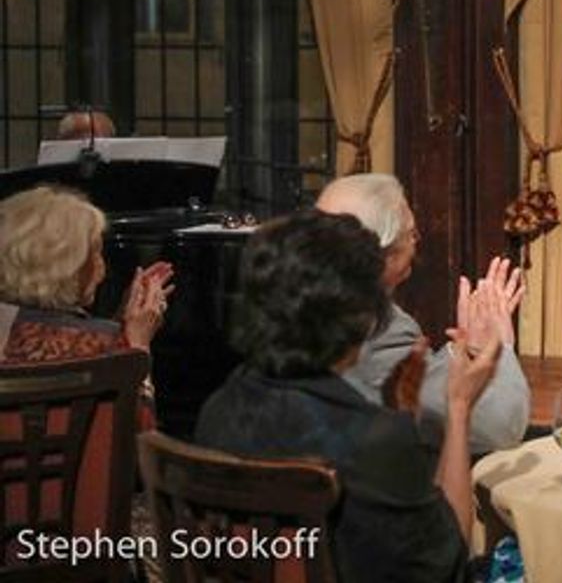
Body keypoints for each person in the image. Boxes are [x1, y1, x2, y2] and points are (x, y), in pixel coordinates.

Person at [196, 211, 501, 583]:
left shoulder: (219, 406)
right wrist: (458, 408)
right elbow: (450, 562)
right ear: (360, 315)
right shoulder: (375, 441)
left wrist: (401, 415)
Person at [316, 173, 530, 456]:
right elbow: (500, 427)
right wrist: (500, 345)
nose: (417, 240)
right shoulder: (372, 327)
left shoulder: (298, 303)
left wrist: (465, 348)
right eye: (410, 233)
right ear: (382, 253)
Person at [0, 186, 172, 364]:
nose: (102, 268)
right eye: (96, 253)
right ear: (69, 266)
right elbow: (128, 390)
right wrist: (137, 344)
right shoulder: (103, 344)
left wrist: (120, 321)